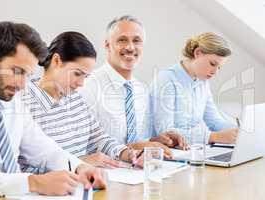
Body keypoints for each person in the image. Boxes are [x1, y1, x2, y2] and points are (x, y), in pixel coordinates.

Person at [0, 21, 105, 197]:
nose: (23, 85)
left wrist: (79, 166)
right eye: (17, 71)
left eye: (28, 75)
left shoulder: (13, 103)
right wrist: (31, 182)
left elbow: (43, 148)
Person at [19, 31, 142, 169]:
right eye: (77, 74)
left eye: (85, 76)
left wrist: (126, 153)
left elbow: (97, 138)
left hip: (83, 184)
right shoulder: (23, 103)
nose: (81, 83)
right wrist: (80, 163)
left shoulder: (74, 98)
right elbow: (20, 169)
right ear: (56, 61)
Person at [79, 15, 186, 157]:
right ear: (107, 45)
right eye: (122, 40)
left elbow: (137, 140)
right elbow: (83, 148)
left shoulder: (140, 89)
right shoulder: (88, 86)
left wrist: (155, 141)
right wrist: (132, 148)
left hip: (139, 169)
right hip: (104, 173)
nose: (130, 47)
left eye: (136, 41)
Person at [149, 32, 238, 145]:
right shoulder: (166, 80)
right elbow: (166, 132)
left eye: (219, 67)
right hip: (162, 153)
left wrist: (240, 131)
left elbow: (214, 121)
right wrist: (212, 137)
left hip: (187, 150)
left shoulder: (202, 82)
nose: (215, 72)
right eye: (212, 64)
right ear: (197, 53)